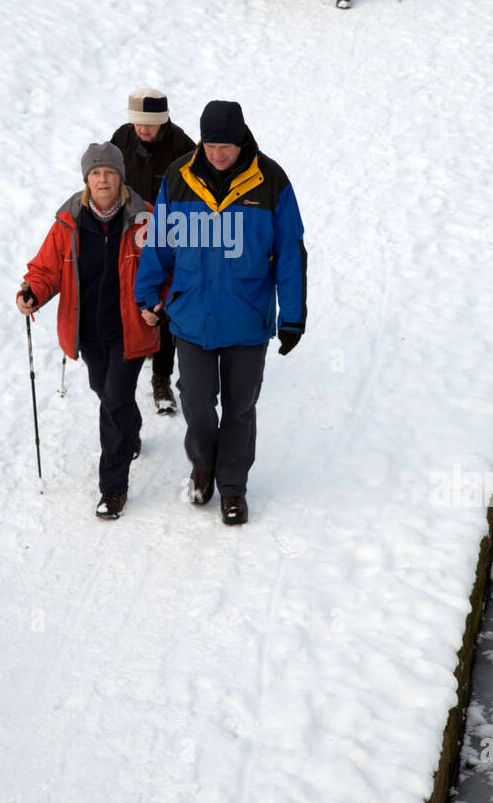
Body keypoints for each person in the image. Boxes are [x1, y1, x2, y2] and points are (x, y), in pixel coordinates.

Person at [135, 101, 306, 526]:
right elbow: (158, 241)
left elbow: (290, 252)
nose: (217, 154)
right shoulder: (179, 177)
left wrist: (293, 315)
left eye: (225, 146)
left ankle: (232, 488)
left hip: (246, 318)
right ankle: (202, 467)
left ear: (242, 139)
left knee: (239, 405)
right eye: (210, 145)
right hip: (191, 313)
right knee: (195, 400)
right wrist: (147, 294)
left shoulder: (270, 180)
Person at [16, 142, 165, 520]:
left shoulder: (143, 219)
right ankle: (131, 428)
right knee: (106, 392)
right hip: (88, 330)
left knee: (115, 399)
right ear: (87, 179)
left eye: (110, 173)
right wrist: (32, 291)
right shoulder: (69, 221)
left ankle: (112, 488)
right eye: (96, 173)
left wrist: (157, 305)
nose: (103, 179)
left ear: (120, 178)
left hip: (129, 327)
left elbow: (165, 267)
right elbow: (46, 269)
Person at [110, 87, 195, 415]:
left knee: (162, 304)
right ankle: (131, 364)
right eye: (138, 123)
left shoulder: (181, 146)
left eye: (149, 123)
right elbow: (107, 178)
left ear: (163, 121)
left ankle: (162, 378)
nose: (142, 129)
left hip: (166, 234)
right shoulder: (122, 138)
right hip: (128, 232)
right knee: (131, 300)